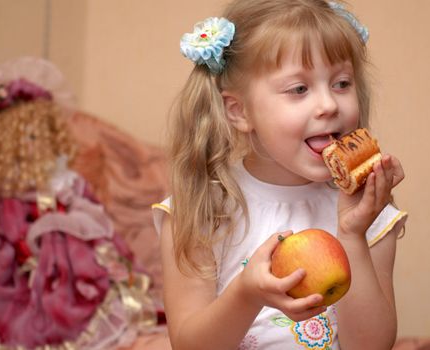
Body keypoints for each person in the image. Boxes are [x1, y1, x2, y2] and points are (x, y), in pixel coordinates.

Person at [152, 0, 408, 349]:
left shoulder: (368, 211)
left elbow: (372, 345)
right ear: (239, 111)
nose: (329, 105)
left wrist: (352, 234)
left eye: (341, 83)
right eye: (299, 89)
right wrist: (245, 294)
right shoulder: (202, 211)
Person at [0, 57, 150, 349]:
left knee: (90, 285)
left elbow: (90, 210)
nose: (36, 144)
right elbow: (9, 231)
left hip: (73, 256)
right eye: (26, 137)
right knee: (24, 303)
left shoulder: (62, 178)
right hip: (26, 260)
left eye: (42, 135)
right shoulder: (10, 191)